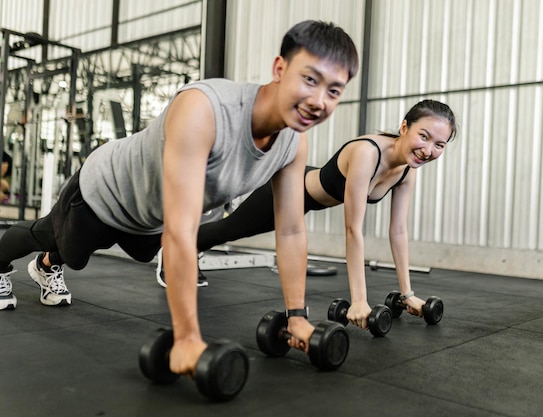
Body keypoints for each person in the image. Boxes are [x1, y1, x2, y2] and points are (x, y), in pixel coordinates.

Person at [0, 20, 359, 376]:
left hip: (148, 217)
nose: (318, 101)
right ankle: (17, 263)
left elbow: (292, 230)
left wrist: (297, 318)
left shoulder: (293, 144)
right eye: (310, 79)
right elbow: (181, 231)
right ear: (280, 68)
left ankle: (52, 260)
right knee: (57, 240)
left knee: (117, 250)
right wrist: (186, 339)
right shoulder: (205, 109)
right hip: (105, 189)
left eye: (334, 91)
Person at [159, 99, 457, 331]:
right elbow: (353, 231)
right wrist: (359, 301)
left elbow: (399, 232)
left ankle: (187, 243)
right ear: (405, 127)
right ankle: (174, 244)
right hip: (286, 192)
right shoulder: (368, 153)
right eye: (424, 136)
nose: (428, 150)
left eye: (439, 145)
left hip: (310, 201)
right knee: (230, 231)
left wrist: (407, 295)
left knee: (231, 230)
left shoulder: (407, 170)